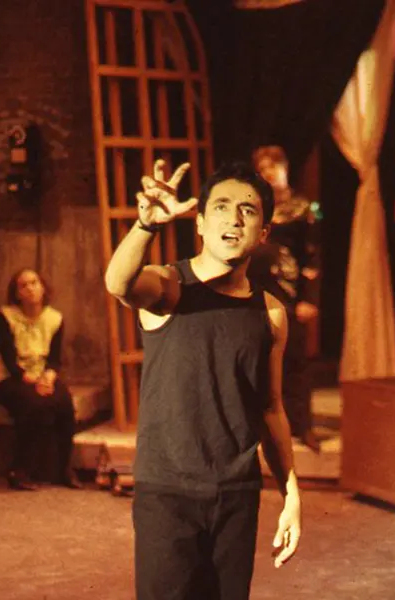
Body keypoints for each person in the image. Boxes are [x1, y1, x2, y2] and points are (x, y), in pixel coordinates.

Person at [105, 159, 302, 600]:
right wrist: (144, 226)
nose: (234, 219)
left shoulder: (270, 312)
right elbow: (119, 283)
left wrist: (291, 493)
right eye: (222, 207)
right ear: (199, 222)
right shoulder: (170, 287)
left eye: (248, 211)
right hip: (167, 492)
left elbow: (271, 409)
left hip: (236, 492)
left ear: (264, 232)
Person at [249, 145, 321, 452]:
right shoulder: (254, 208)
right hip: (257, 292)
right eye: (264, 171)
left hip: (291, 294)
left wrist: (310, 299)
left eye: (274, 168)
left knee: (294, 360)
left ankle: (302, 425)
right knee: (256, 359)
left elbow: (314, 258)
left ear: (285, 169)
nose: (271, 175)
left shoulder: (306, 208)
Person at [0, 268, 81, 491]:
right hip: (11, 377)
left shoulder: (54, 318)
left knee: (64, 403)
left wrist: (48, 379)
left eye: (34, 283)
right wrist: (30, 380)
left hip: (42, 375)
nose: (30, 288)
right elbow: (8, 357)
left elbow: (54, 359)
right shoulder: (6, 316)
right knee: (33, 405)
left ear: (43, 288)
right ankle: (19, 469)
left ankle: (63, 468)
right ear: (17, 293)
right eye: (23, 285)